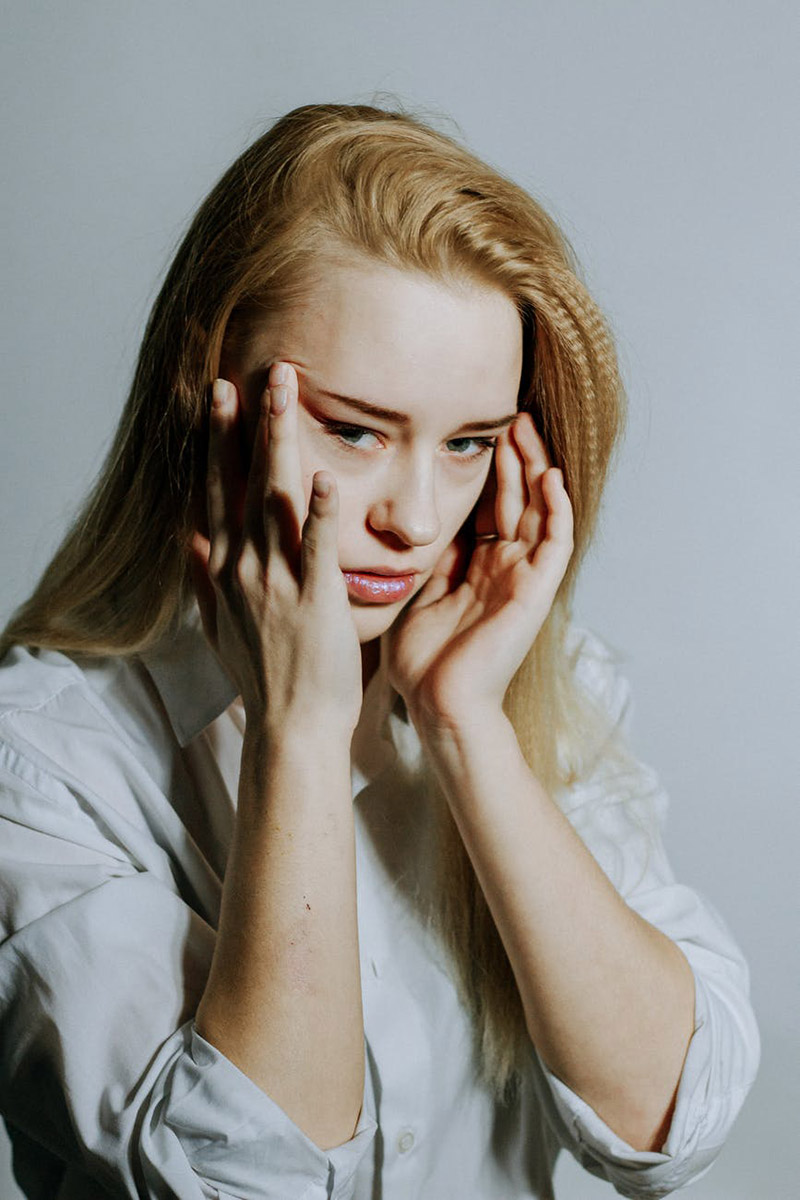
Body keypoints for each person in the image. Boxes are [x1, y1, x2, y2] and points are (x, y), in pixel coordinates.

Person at [0, 101, 759, 1200]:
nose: (413, 516)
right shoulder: (41, 759)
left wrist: (466, 728)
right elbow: (241, 1185)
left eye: (466, 445)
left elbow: (670, 1120)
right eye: (354, 429)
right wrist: (296, 736)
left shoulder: (542, 693)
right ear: (202, 388)